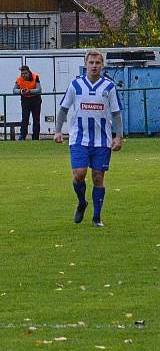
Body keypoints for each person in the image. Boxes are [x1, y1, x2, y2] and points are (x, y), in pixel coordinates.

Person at [53, 49, 123, 227]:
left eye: (97, 63)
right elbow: (63, 109)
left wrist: (119, 136)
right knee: (79, 174)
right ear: (85, 64)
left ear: (102, 65)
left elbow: (116, 113)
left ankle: (96, 218)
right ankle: (82, 201)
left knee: (98, 177)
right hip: (79, 139)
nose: (94, 66)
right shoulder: (75, 85)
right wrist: (58, 130)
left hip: (102, 140)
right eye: (91, 62)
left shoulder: (109, 87)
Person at [14, 65, 42, 140]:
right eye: (22, 73)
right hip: (25, 100)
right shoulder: (19, 79)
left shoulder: (35, 77)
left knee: (36, 119)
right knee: (25, 118)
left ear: (29, 72)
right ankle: (22, 136)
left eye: (25, 73)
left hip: (35, 99)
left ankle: (35, 137)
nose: (24, 75)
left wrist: (29, 91)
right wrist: (21, 91)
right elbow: (14, 90)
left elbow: (39, 89)